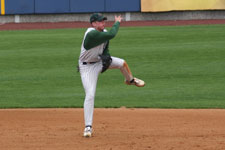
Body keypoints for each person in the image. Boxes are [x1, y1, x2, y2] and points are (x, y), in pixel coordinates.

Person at [78, 13, 145, 137]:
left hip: (98, 62)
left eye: (104, 21)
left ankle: (130, 80)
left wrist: (107, 58)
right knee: (90, 95)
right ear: (93, 24)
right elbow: (112, 34)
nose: (103, 23)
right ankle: (88, 127)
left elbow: (105, 49)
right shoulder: (91, 33)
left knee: (122, 63)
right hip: (87, 67)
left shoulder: (104, 32)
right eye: (100, 22)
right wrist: (117, 22)